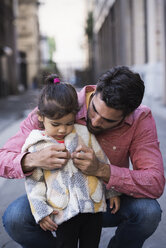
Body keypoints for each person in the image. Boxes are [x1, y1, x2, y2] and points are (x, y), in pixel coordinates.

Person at [1, 66, 165, 248]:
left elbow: (155, 181)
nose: (94, 122)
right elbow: (3, 158)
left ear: (128, 114)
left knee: (148, 212)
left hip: (107, 202)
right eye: (94, 110)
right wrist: (33, 159)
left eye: (108, 120)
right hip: (58, 200)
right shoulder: (59, 104)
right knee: (16, 218)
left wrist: (102, 170)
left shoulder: (140, 118)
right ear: (95, 92)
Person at [21, 74, 120, 248]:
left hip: (92, 205)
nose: (62, 129)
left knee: (92, 244)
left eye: (68, 123)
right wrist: (41, 211)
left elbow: (102, 161)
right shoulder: (37, 145)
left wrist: (112, 192)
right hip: (62, 210)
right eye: (56, 124)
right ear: (41, 117)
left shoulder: (83, 133)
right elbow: (34, 182)